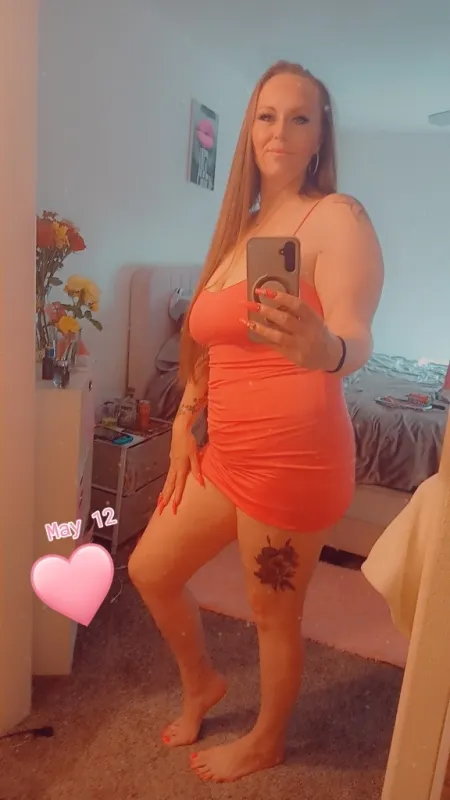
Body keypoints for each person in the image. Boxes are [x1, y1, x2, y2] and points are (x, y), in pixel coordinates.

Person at [128, 60, 384, 783]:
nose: (280, 131)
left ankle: (268, 739)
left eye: (300, 117)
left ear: (319, 135)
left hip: (294, 458)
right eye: (267, 116)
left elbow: (356, 333)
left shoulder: (337, 218)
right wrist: (185, 419)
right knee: (150, 570)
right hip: (225, 451)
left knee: (273, 612)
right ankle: (203, 682)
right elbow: (213, 345)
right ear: (249, 129)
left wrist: (328, 349)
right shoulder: (241, 232)